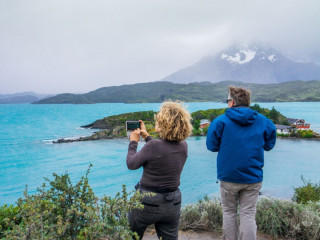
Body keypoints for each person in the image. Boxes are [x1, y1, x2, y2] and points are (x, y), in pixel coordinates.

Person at [206, 86, 276, 240]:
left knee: (229, 212)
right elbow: (269, 145)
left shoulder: (220, 121)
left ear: (231, 102)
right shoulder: (264, 121)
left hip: (228, 176)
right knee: (248, 214)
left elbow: (211, 146)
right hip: (253, 177)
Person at [127, 101, 192, 240]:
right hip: (173, 202)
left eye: (158, 120)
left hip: (147, 202)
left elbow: (131, 164)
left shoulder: (153, 147)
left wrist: (133, 142)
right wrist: (146, 136)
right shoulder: (184, 146)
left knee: (131, 236)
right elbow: (162, 149)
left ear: (164, 123)